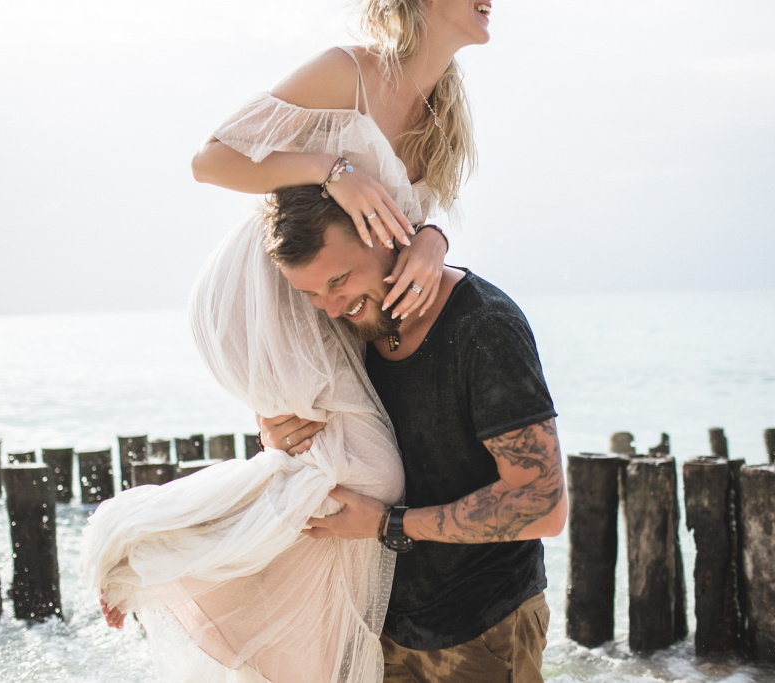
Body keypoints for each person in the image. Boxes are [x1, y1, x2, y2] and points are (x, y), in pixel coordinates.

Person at [82, 2, 493, 681]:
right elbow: (210, 160)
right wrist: (333, 170)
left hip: (324, 298)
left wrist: (433, 237)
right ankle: (143, 545)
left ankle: (291, 653)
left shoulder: (443, 110)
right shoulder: (348, 72)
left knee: (335, 471)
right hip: (264, 289)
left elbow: (412, 208)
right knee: (371, 474)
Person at [259, 183, 567, 683]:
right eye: (312, 293)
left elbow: (543, 505)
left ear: (384, 239)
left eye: (339, 280)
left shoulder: (484, 327)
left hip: (482, 629)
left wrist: (388, 524)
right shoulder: (344, 329)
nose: (332, 307)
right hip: (376, 629)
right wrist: (279, 437)